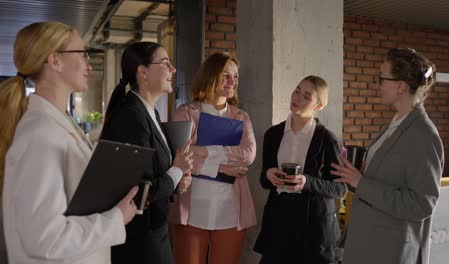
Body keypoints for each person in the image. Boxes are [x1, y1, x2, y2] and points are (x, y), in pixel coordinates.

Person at [0, 21, 138, 264]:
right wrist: (115, 219)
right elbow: (45, 238)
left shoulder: (59, 125)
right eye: (82, 53)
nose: (89, 64)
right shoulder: (39, 135)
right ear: (55, 61)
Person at [331, 48, 444, 264]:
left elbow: (421, 204)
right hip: (369, 245)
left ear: (401, 86)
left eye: (381, 78)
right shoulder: (394, 123)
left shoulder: (423, 135)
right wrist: (357, 175)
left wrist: (361, 183)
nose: (377, 85)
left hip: (388, 251)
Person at [100, 41, 193, 264]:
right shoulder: (131, 117)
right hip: (140, 241)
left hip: (153, 233)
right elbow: (141, 190)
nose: (173, 69)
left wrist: (177, 180)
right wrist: (177, 171)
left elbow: (155, 175)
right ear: (142, 71)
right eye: (165, 63)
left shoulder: (148, 112)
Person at [169, 52, 257, 264]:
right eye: (225, 75)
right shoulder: (186, 113)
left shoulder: (241, 117)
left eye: (235, 76)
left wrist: (204, 151)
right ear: (209, 75)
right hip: (191, 209)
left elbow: (248, 154)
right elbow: (181, 156)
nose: (232, 81)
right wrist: (222, 168)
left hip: (230, 210)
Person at [254, 75, 347, 264]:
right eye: (297, 91)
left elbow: (341, 189)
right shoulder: (273, 134)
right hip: (279, 221)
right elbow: (264, 180)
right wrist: (269, 175)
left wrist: (307, 182)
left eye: (306, 96)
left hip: (314, 228)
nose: (297, 98)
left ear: (318, 106)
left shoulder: (327, 139)